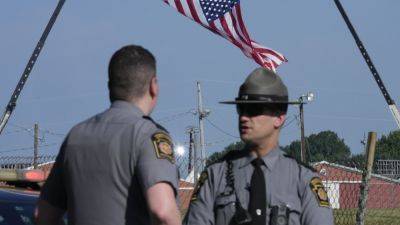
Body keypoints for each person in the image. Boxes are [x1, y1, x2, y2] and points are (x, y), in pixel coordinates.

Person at [36, 45, 182, 225]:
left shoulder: (75, 136)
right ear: (153, 86)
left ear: (109, 86)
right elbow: (163, 211)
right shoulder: (148, 136)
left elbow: (43, 216)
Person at [184, 68, 334, 225]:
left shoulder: (302, 179)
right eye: (241, 109)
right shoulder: (215, 175)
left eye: (254, 110)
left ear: (279, 117)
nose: (244, 117)